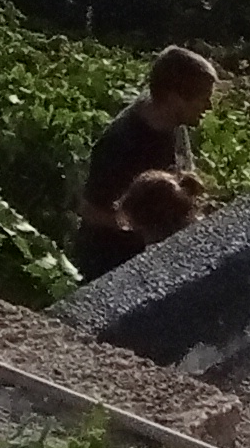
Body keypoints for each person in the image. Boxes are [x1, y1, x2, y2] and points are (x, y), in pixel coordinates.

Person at [73, 46, 217, 278]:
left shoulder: (175, 125)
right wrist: (144, 227)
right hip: (114, 267)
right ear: (174, 98)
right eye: (203, 100)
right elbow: (90, 210)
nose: (208, 107)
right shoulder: (119, 144)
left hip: (152, 258)